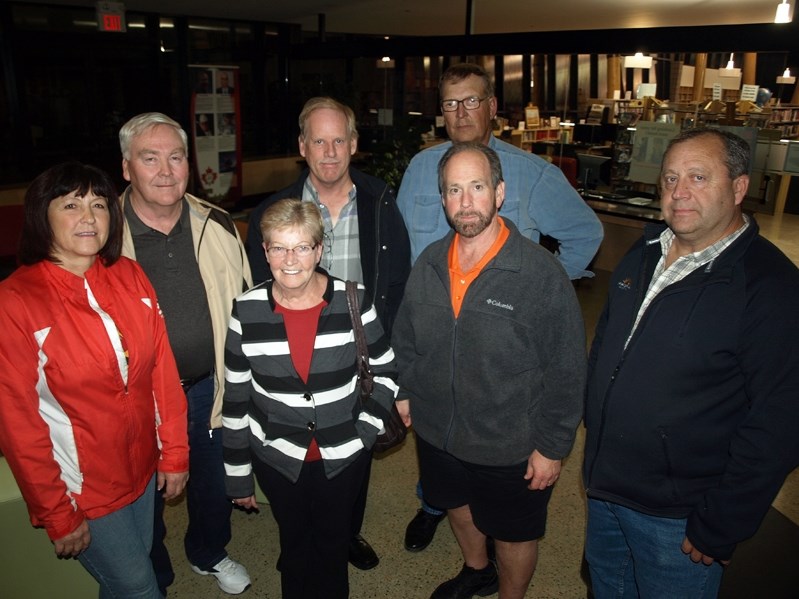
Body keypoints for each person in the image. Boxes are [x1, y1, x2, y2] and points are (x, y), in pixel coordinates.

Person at [583, 128, 799, 598]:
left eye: (698, 177)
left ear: (739, 187)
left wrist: (723, 522)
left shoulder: (771, 288)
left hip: (679, 518)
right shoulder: (643, 254)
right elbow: (604, 347)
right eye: (670, 178)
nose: (679, 192)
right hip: (605, 488)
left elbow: (780, 422)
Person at [396, 62, 602, 553]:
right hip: (435, 353)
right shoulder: (421, 168)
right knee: (443, 469)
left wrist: (542, 287)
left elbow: (586, 234)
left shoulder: (532, 174)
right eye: (450, 103)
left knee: (503, 498)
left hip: (498, 363)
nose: (461, 112)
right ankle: (433, 508)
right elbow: (403, 244)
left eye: (471, 100)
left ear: (492, 107)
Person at [392, 142, 587, 599]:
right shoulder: (429, 264)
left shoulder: (539, 273)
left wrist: (553, 447)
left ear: (499, 193)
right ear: (442, 200)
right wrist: (404, 389)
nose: (465, 202)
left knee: (514, 534)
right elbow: (406, 340)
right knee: (455, 506)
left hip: (510, 443)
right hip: (439, 431)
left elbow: (567, 367)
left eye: (476, 187)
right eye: (453, 190)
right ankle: (476, 568)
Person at [0, 161, 189, 598]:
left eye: (99, 204)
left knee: (131, 574)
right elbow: (17, 424)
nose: (88, 217)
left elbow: (161, 371)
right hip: (80, 487)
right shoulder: (17, 300)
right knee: (140, 588)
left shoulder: (129, 275)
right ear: (41, 216)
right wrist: (56, 512)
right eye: (71, 204)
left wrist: (174, 454)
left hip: (141, 472)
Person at [245, 96, 411, 569]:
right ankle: (298, 535)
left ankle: (344, 534)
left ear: (354, 144)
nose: (331, 151)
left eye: (340, 140)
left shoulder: (380, 201)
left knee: (354, 454)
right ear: (303, 146)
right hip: (292, 361)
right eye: (319, 140)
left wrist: (395, 376)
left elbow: (398, 285)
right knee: (293, 458)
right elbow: (257, 291)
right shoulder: (273, 212)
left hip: (356, 360)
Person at [224, 198, 399, 599]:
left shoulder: (352, 299)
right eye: (279, 247)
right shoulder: (246, 310)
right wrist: (237, 475)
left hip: (343, 457)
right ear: (264, 251)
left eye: (302, 247)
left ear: (319, 250)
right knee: (295, 544)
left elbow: (386, 370)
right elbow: (236, 398)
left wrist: (364, 433)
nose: (290, 260)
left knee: (333, 547)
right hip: (278, 457)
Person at [119, 112, 253, 595]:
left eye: (176, 157)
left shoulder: (215, 222)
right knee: (142, 496)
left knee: (213, 485)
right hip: (135, 397)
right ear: (127, 168)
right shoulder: (103, 236)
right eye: (149, 158)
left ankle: (209, 552)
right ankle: (150, 572)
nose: (165, 170)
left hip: (207, 386)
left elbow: (245, 299)